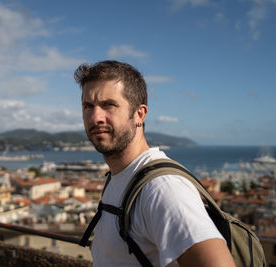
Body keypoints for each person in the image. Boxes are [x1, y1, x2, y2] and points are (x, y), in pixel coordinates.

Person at [74, 60, 235, 267]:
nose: (95, 117)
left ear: (139, 114)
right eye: (88, 106)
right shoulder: (119, 177)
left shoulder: (163, 188)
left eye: (109, 105)